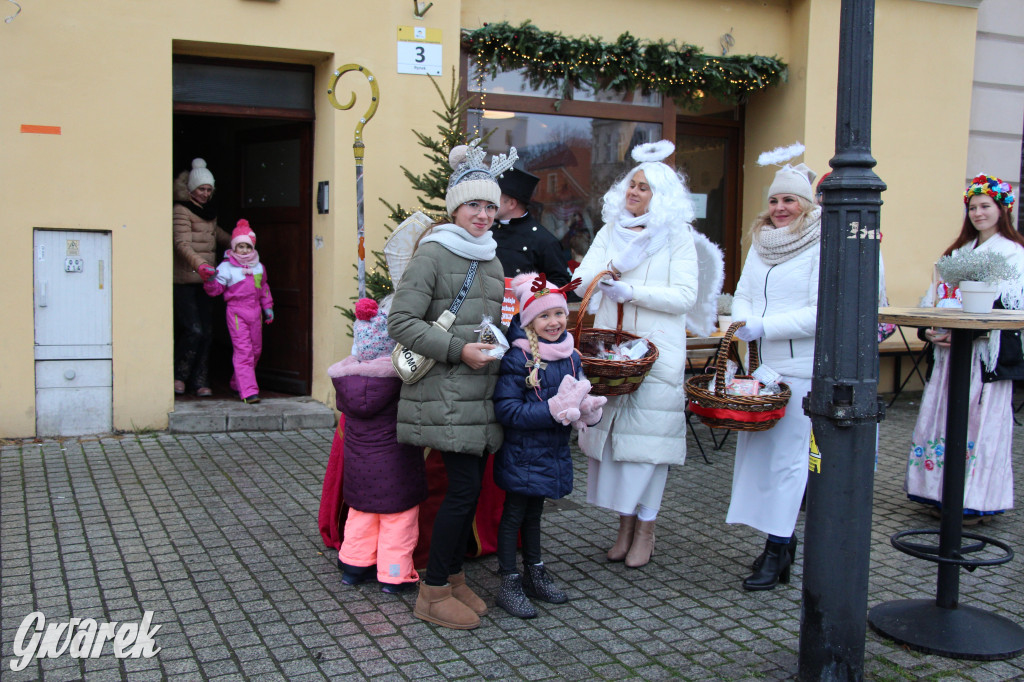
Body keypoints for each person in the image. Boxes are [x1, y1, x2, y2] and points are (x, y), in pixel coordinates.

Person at [387, 140, 517, 630]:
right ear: (454, 208)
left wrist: (505, 345)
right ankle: (433, 591)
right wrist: (458, 351)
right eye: (472, 204)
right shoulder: (434, 255)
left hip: (478, 392)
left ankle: (455, 577)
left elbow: (490, 323)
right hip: (443, 392)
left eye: (489, 204)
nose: (482, 214)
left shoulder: (493, 259)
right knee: (461, 492)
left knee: (469, 491)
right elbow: (401, 322)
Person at [573, 139, 699, 569]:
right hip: (612, 351)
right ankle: (624, 525)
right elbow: (584, 273)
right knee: (617, 445)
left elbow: (685, 295)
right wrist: (595, 277)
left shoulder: (677, 237)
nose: (634, 192)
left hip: (655, 353)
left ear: (660, 196)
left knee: (649, 446)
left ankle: (646, 527)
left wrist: (633, 291)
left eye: (643, 187)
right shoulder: (611, 232)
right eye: (631, 185)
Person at [905, 174, 1023, 522]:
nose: (978, 213)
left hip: (981, 357)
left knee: (978, 422)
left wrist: (968, 334)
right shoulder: (957, 253)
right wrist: (931, 330)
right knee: (942, 418)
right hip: (947, 356)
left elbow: (1012, 309)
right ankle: (936, 492)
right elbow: (936, 298)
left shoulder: (1013, 253)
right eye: (972, 207)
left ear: (1003, 209)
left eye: (985, 206)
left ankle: (974, 498)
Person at [727, 161, 821, 591]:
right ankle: (780, 541)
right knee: (758, 458)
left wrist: (767, 326)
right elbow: (744, 291)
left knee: (787, 462)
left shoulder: (820, 243)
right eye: (775, 200)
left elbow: (821, 312)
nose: (780, 207)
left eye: (789, 200)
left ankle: (778, 546)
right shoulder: (761, 243)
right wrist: (743, 321)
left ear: (805, 204)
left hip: (799, 367)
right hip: (761, 368)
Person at [491, 272, 605, 618]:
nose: (553, 322)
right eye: (544, 315)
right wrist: (553, 409)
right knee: (514, 514)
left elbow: (577, 390)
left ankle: (535, 573)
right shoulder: (519, 358)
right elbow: (507, 410)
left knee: (535, 513)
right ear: (529, 321)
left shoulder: (571, 355)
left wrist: (585, 408)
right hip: (522, 452)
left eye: (558, 313)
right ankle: (509, 581)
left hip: (551, 450)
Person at [328, 297, 427, 594]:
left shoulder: (347, 382)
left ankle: (353, 567)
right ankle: (393, 575)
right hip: (397, 468)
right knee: (399, 520)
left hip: (360, 470)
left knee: (362, 514)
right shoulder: (401, 380)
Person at [173, 158, 231, 397]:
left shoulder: (209, 214)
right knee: (193, 330)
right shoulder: (181, 210)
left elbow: (216, 235)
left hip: (207, 283)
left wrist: (240, 239)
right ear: (190, 190)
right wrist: (202, 265)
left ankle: (200, 379)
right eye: (201, 189)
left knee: (207, 332)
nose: (205, 194)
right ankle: (179, 375)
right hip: (185, 281)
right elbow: (181, 244)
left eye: (209, 189)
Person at [203, 220, 274, 404]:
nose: (244, 250)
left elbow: (263, 288)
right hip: (237, 313)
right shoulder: (227, 268)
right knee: (244, 351)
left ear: (253, 248)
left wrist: (268, 307)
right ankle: (249, 391)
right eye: (240, 246)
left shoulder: (258, 267)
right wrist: (210, 280)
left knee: (256, 350)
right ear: (234, 248)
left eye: (247, 247)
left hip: (255, 312)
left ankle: (237, 383)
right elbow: (215, 290)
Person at [494, 167, 573, 288]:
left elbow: (562, 285)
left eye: (496, 197)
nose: (491, 202)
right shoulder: (489, 234)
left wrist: (533, 295)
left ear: (511, 203)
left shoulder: (544, 241)